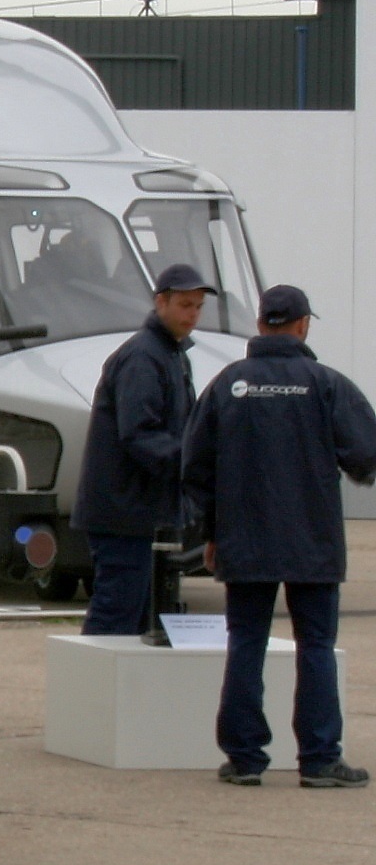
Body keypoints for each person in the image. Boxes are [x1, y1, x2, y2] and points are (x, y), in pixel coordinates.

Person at [182, 285, 376, 788]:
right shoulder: (326, 384)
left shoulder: (229, 383)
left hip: (243, 538)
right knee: (315, 643)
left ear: (262, 324)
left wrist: (213, 528)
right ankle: (319, 759)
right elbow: (366, 454)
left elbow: (194, 464)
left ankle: (245, 758)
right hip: (312, 539)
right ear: (302, 325)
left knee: (245, 640)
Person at [70, 263, 214, 635]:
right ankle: (92, 691)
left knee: (141, 619)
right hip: (124, 513)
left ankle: (113, 690)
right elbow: (139, 434)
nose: (193, 315)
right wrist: (194, 464)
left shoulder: (172, 355)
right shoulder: (143, 357)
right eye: (185, 305)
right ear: (160, 302)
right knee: (117, 612)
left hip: (143, 511)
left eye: (198, 306)